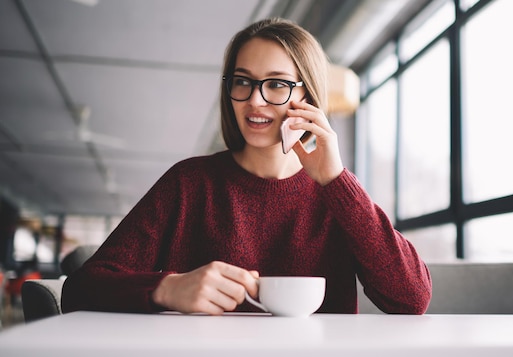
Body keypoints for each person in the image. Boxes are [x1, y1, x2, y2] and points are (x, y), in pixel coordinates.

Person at [61, 18, 432, 315]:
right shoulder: (189, 183)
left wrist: (336, 180)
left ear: (308, 96)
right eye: (243, 82)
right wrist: (167, 288)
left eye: (276, 85)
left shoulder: (336, 196)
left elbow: (411, 299)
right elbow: (80, 288)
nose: (255, 100)